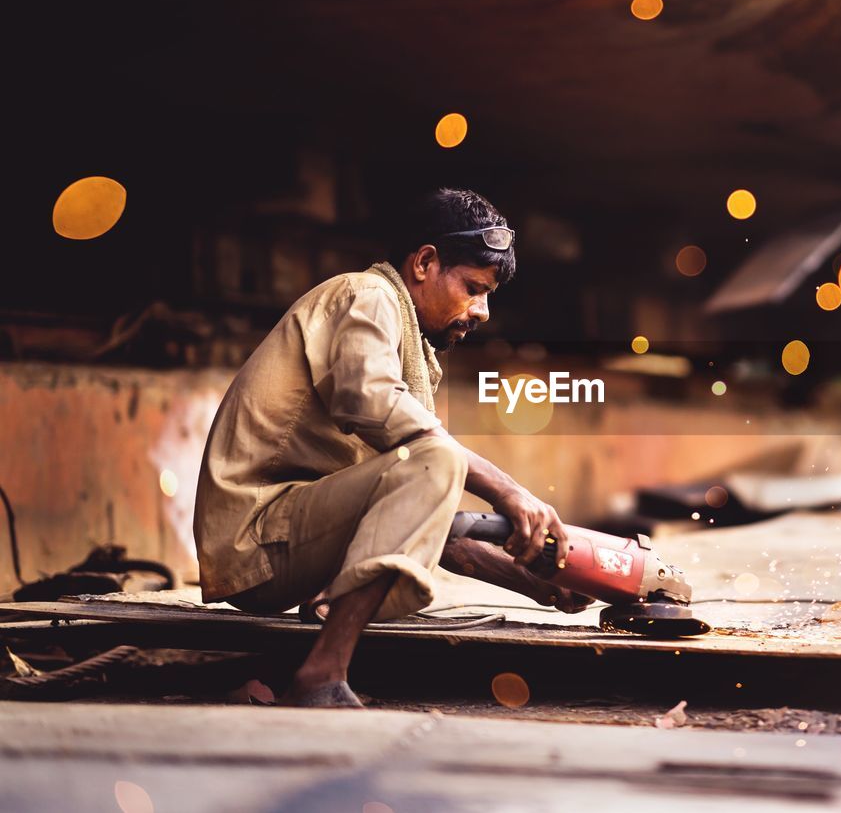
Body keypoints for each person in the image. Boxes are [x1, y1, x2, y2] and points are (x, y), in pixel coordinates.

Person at [194, 187, 585, 707]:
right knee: (437, 457)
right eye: (474, 287)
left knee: (433, 464)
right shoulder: (366, 294)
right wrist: (507, 491)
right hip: (255, 536)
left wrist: (543, 584)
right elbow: (370, 400)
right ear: (424, 262)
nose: (484, 311)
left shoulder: (408, 342)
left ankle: (321, 662)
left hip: (287, 538)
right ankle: (321, 676)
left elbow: (425, 517)